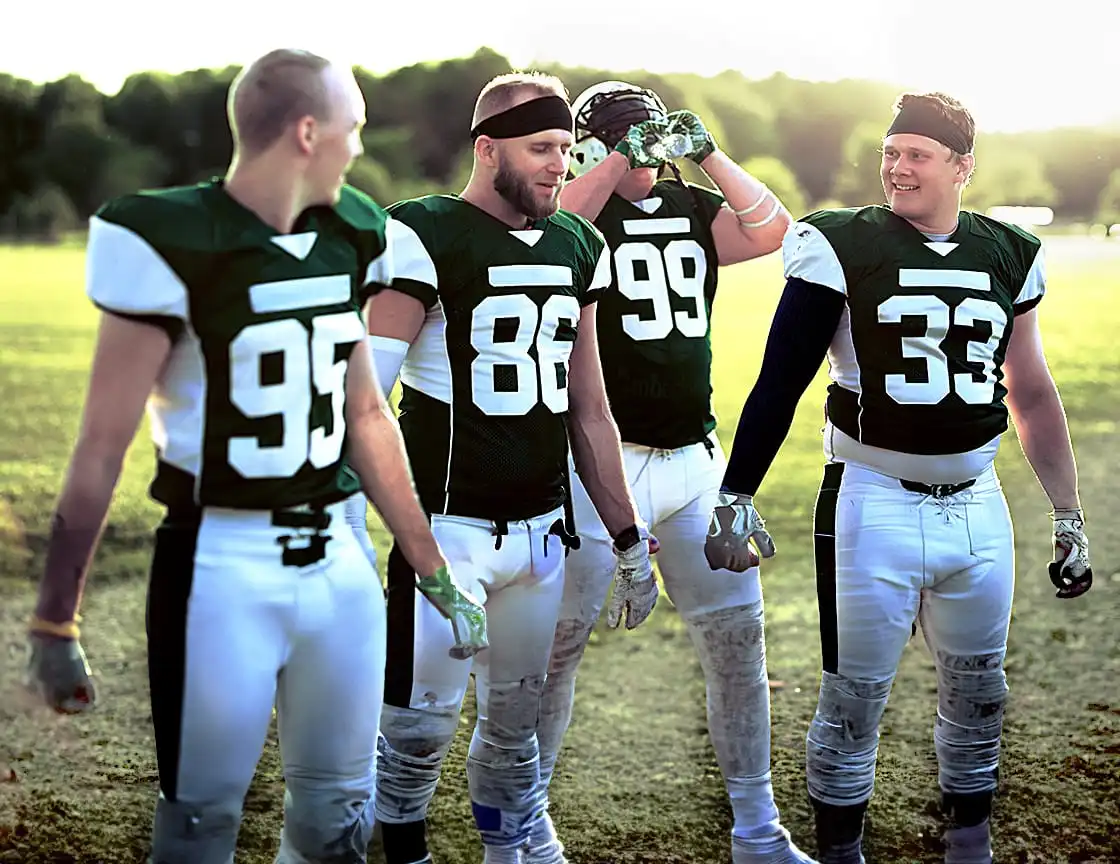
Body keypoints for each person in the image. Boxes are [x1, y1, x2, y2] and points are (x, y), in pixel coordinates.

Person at [24, 48, 487, 864]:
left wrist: (433, 568)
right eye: (352, 128)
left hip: (336, 561)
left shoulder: (354, 232)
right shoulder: (170, 237)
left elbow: (368, 417)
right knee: (199, 825)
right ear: (308, 133)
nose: (358, 145)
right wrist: (55, 617)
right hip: (219, 561)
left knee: (337, 821)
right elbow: (102, 447)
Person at [705, 91, 1094, 864]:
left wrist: (1068, 513)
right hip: (870, 498)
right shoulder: (840, 242)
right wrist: (736, 494)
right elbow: (780, 380)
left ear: (962, 167)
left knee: (981, 693)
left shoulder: (1011, 251)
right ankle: (843, 855)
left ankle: (969, 847)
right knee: (853, 703)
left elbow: (1033, 389)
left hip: (978, 501)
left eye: (917, 153)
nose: (897, 166)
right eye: (891, 152)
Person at [343, 72, 657, 864]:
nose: (561, 164)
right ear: (488, 151)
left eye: (566, 148)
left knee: (516, 730)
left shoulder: (582, 243)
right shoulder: (422, 232)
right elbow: (365, 401)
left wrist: (625, 534)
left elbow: (590, 408)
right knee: (417, 735)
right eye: (542, 148)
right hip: (446, 530)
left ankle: (515, 853)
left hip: (541, 535)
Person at [524, 80, 815, 864]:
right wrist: (616, 158)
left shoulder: (690, 208)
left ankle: (758, 828)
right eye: (625, 135)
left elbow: (773, 229)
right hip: (598, 469)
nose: (643, 149)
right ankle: (527, 824)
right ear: (591, 144)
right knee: (557, 649)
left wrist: (710, 152)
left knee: (738, 644)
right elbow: (546, 227)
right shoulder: (583, 214)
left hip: (695, 462)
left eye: (648, 133)